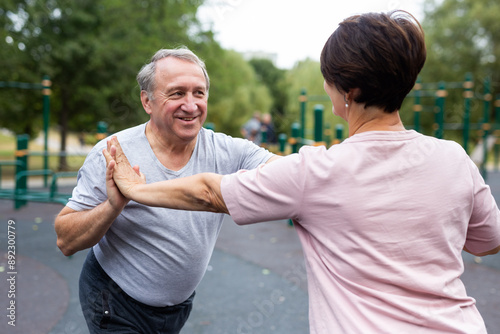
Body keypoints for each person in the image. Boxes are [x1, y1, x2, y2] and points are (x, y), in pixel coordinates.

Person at [104, 11, 500, 334]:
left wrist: (137, 189)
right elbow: (487, 242)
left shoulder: (317, 172)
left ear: (345, 92)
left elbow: (209, 192)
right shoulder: (454, 159)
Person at [54, 48, 279, 333]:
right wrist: (113, 206)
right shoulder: (113, 153)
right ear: (147, 101)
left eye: (199, 93)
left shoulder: (227, 150)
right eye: (176, 94)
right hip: (114, 301)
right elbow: (65, 240)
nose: (191, 105)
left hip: (177, 309)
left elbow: (289, 173)